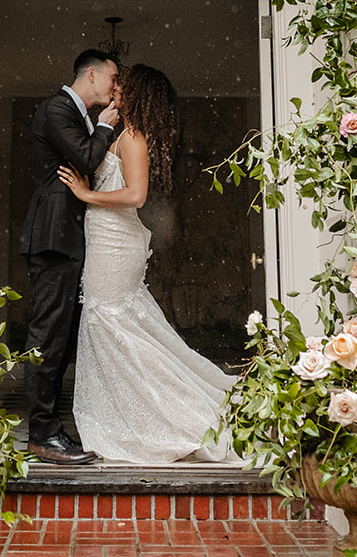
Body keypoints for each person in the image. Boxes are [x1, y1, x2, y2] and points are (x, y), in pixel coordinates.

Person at [57, 64, 238, 464]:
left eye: (122, 86)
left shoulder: (134, 138)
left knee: (111, 325)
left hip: (116, 242)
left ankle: (177, 415)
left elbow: (135, 195)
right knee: (115, 326)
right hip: (108, 241)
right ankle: (132, 416)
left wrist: (86, 196)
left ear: (136, 93)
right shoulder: (125, 133)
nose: (115, 89)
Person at [19, 49, 120, 466]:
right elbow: (85, 159)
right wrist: (103, 129)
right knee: (47, 337)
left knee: (59, 340)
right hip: (52, 237)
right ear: (91, 74)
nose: (115, 88)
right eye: (112, 78)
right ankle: (42, 434)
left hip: (66, 239)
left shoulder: (74, 113)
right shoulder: (57, 108)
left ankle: (51, 428)